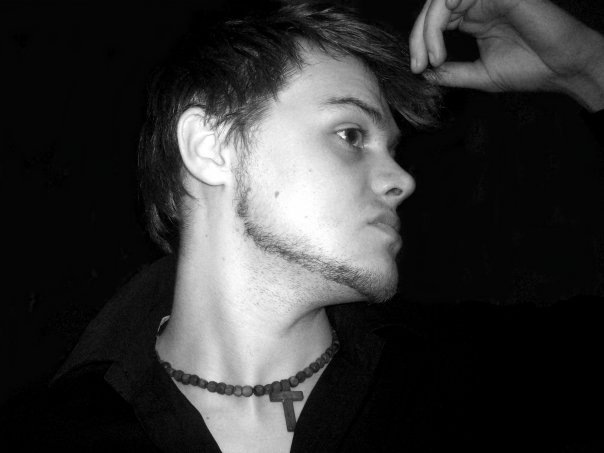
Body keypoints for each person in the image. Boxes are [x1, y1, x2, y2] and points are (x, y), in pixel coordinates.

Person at [2, 0, 603, 451]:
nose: (401, 179)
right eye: (351, 135)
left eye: (392, 149)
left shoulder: (472, 380)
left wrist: (587, 65)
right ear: (211, 147)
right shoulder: (50, 434)